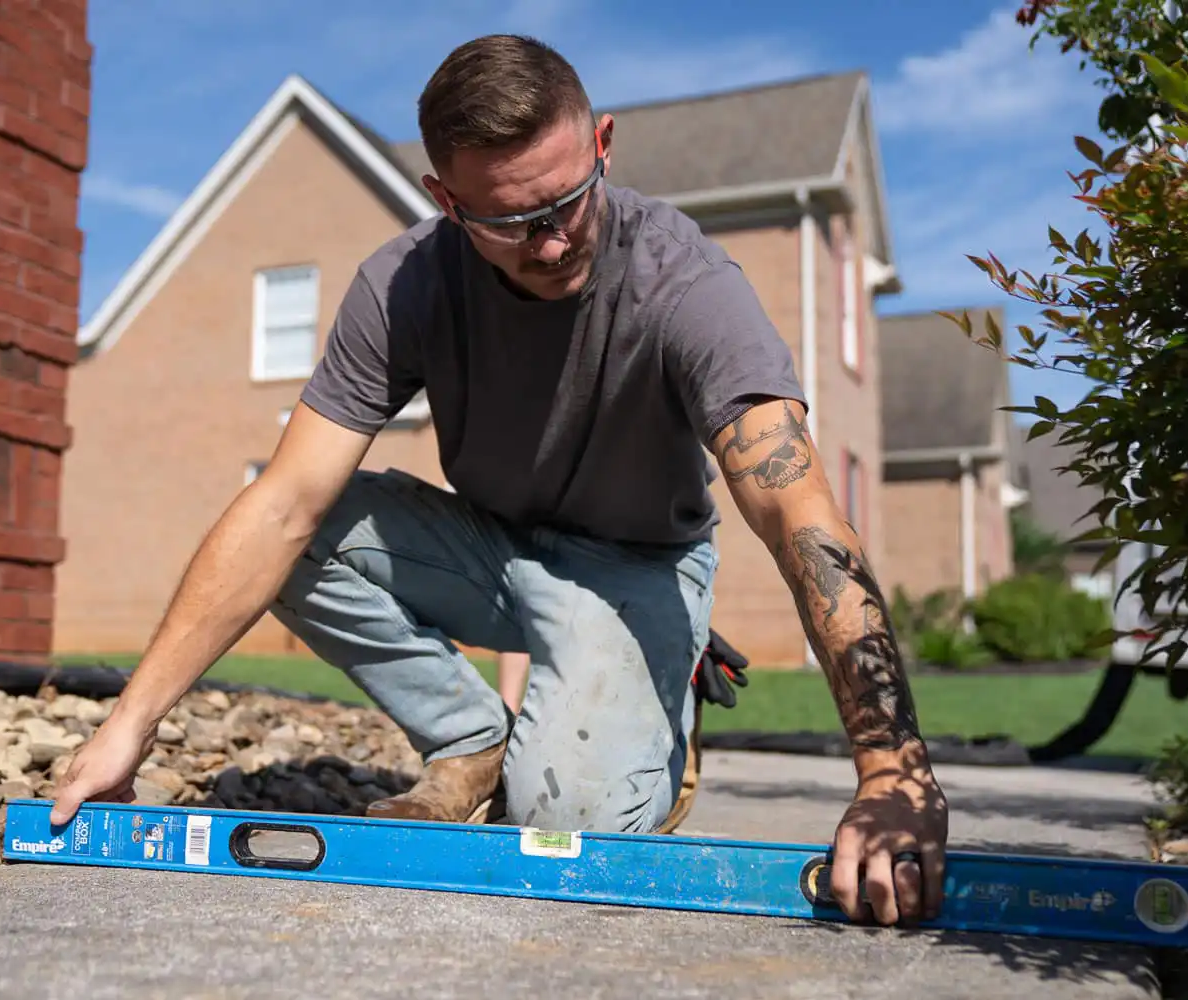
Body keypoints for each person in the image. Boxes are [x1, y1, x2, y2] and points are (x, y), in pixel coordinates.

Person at [48, 34, 949, 927]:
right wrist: (131, 722)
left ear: (602, 143)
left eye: (566, 202)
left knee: (558, 834)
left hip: (635, 565)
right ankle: (469, 738)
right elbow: (283, 503)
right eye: (510, 221)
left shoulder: (685, 284)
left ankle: (664, 675)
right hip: (492, 544)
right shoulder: (404, 285)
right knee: (291, 526)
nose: (552, 242)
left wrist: (892, 771)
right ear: (445, 199)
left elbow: (801, 513)